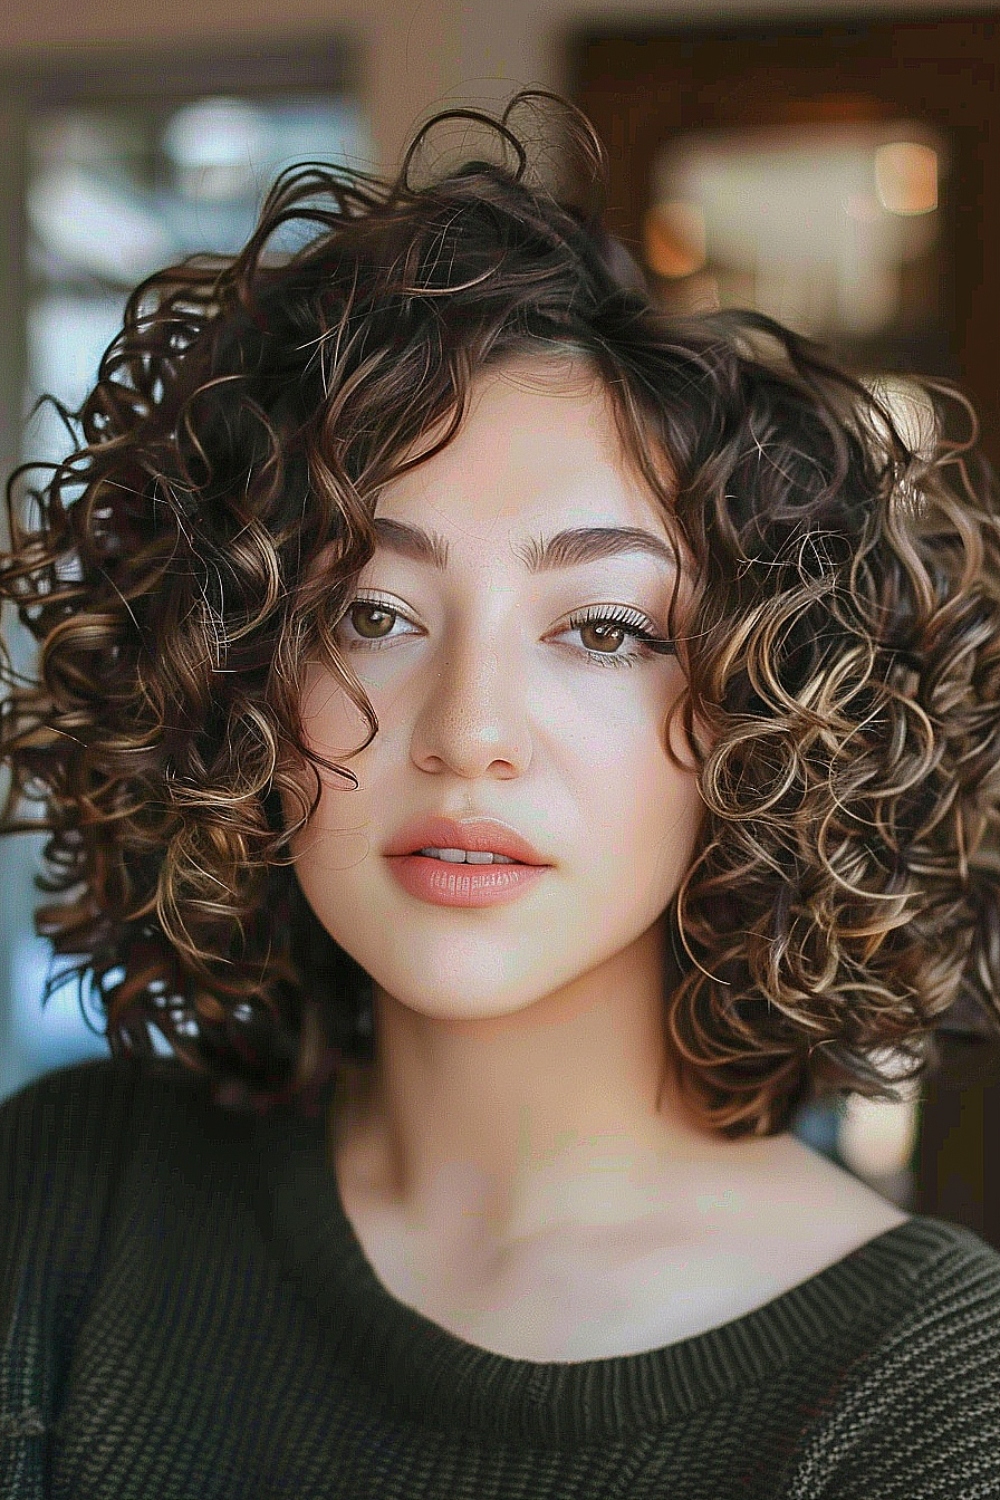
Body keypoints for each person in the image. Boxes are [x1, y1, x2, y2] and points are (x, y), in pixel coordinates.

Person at [1, 90, 998, 1498]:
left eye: (603, 630)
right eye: (369, 614)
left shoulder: (928, 1402)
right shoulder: (67, 1204)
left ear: (764, 719)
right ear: (239, 692)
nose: (468, 736)